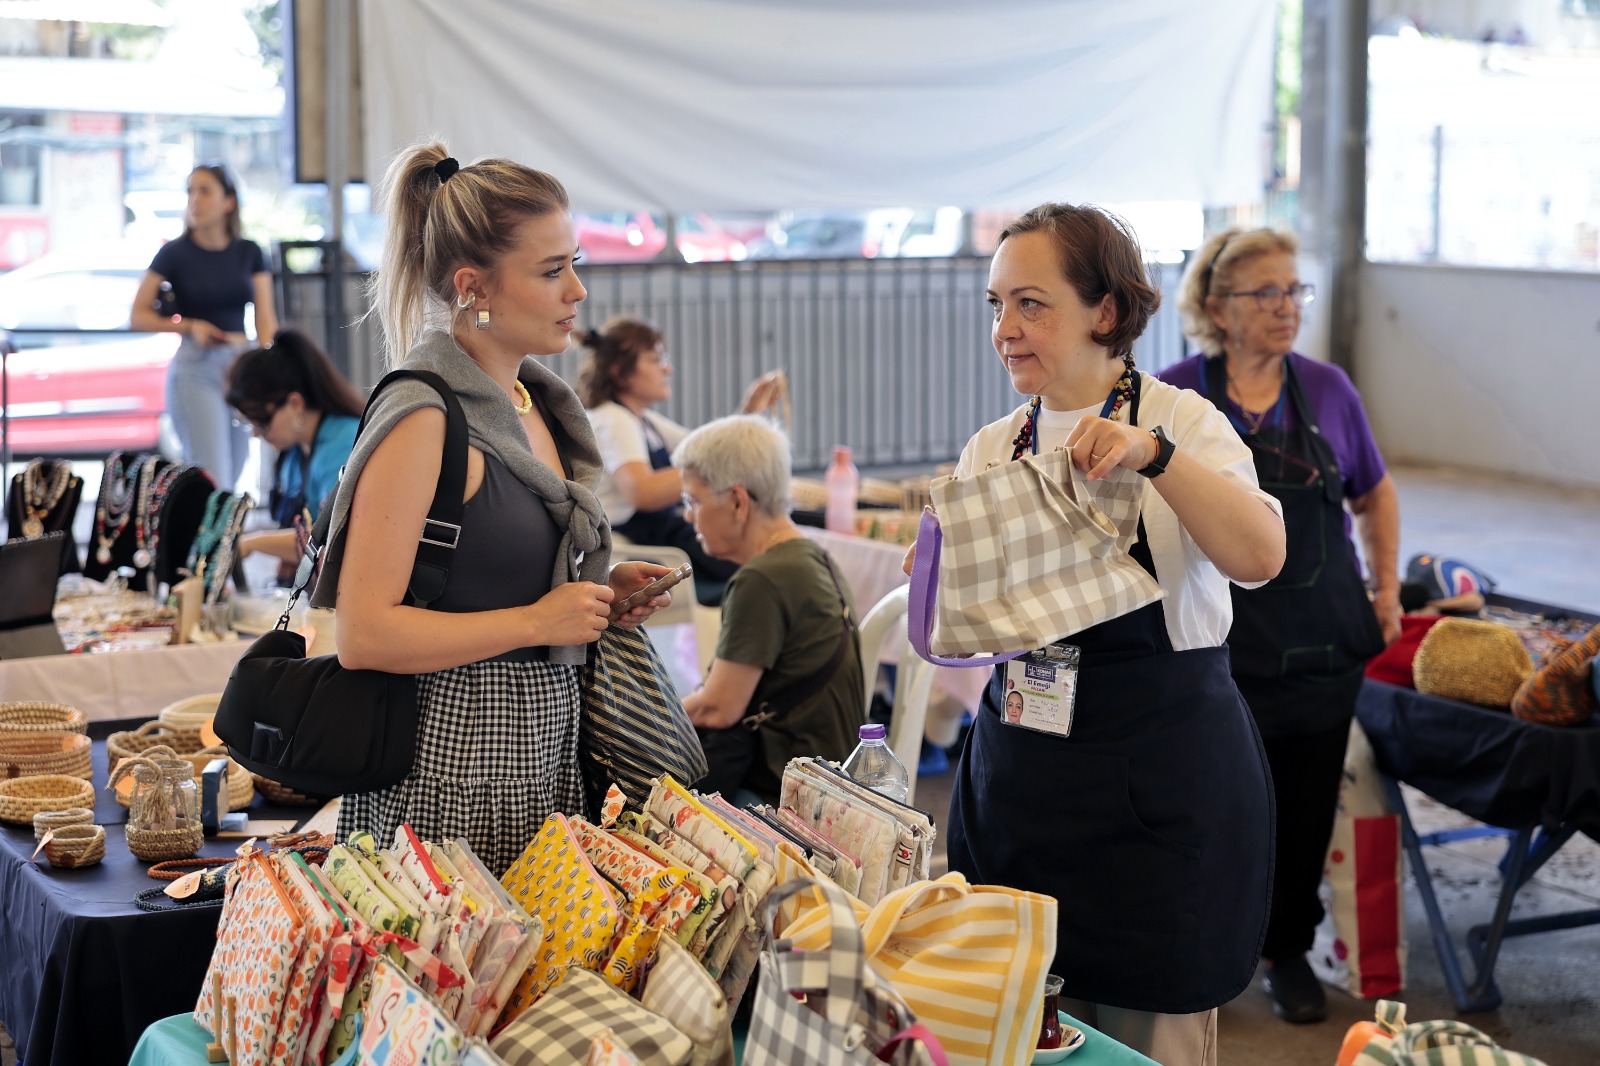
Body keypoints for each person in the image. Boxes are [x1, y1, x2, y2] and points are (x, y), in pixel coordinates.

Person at [918, 204, 1286, 1066]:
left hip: (1156, 802)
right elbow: (970, 635)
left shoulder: (1183, 423)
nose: (1006, 330)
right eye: (995, 304)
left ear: (1107, 312)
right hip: (1022, 793)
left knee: (1141, 1041)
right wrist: (940, 574)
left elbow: (1262, 555)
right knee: (1018, 1033)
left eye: (1032, 304)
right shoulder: (992, 448)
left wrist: (1153, 457)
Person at [307, 142, 670, 875]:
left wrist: (595, 591)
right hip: (446, 782)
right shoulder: (424, 418)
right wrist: (540, 621)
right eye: (551, 270)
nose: (578, 292)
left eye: (576, 264)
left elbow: (490, 564)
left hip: (542, 759)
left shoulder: (532, 402)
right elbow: (363, 634)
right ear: (473, 287)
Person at [1160, 227, 1401, 1024]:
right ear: (1217, 308)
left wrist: (1388, 587)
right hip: (1212, 645)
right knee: (1207, 800)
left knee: (1301, 805)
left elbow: (1376, 492)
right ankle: (1200, 945)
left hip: (1317, 641)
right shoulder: (1175, 398)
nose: (1287, 308)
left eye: (1295, 290)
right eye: (1266, 293)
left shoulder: (1328, 390)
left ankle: (1286, 948)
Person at [675, 415, 864, 806]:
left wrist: (649, 721)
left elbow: (718, 708)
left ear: (738, 502)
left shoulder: (762, 579)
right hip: (836, 784)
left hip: (787, 801)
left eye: (694, 501)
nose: (688, 517)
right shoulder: (813, 555)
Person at [580, 317, 786, 605]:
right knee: (760, 558)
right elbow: (644, 492)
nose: (668, 368)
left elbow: (707, 445)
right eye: (656, 359)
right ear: (621, 372)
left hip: (661, 531)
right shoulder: (613, 420)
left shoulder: (642, 419)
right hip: (640, 545)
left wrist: (749, 412)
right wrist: (710, 469)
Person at [130, 164, 277, 490]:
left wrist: (267, 371)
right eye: (190, 192)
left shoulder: (250, 252)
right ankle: (214, 543)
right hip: (197, 368)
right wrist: (188, 326)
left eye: (205, 191)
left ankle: (221, 541)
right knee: (214, 479)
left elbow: (266, 319)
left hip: (241, 365)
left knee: (237, 476)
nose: (195, 200)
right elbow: (138, 316)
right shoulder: (173, 253)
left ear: (229, 201)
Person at [225, 328, 364, 571]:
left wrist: (252, 544)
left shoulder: (344, 443)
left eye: (261, 422)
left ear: (295, 404)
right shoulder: (293, 454)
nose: (257, 433)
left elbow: (337, 538)